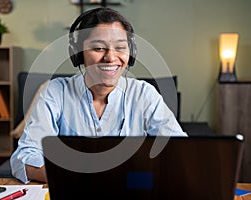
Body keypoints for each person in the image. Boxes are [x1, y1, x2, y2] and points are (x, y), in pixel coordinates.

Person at [10, 7, 187, 183]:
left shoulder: (144, 94)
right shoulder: (56, 92)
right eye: (99, 48)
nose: (111, 58)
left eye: (120, 47)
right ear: (79, 54)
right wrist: (77, 178)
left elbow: (181, 151)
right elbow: (24, 157)